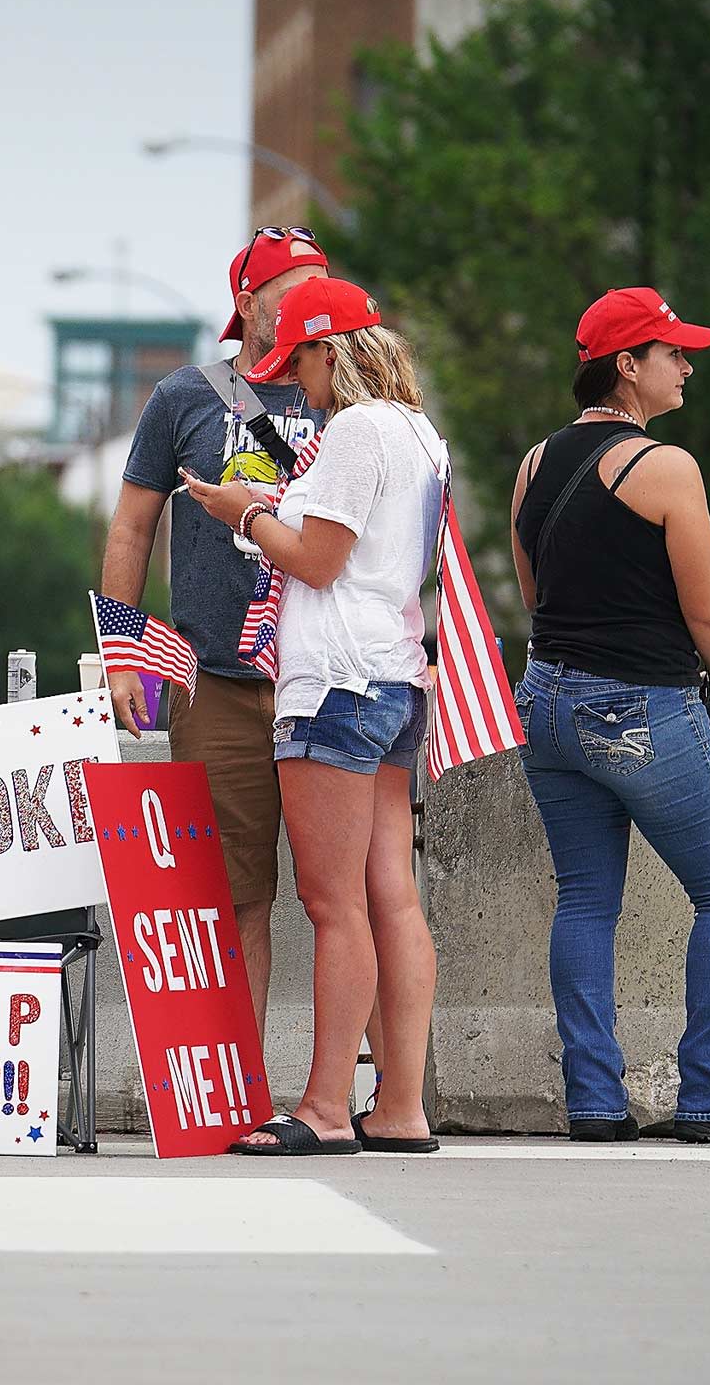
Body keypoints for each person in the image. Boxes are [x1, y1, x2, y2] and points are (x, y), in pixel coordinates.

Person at [507, 288, 710, 1144]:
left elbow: (533, 593)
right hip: (640, 707)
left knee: (587, 899)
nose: (688, 365)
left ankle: (594, 1100)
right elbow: (706, 606)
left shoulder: (534, 463)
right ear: (626, 366)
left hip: (549, 702)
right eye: (673, 352)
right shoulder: (664, 467)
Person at [183, 278, 445, 1156]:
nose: (294, 382)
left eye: (297, 360)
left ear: (329, 351)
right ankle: (400, 1107)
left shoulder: (357, 431)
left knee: (333, 907)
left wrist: (245, 512)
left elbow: (320, 560)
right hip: (396, 674)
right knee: (390, 899)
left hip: (333, 681)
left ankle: (327, 1109)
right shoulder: (419, 432)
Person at [101, 228, 332, 1045]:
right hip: (221, 681)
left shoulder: (353, 394)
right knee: (236, 895)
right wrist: (123, 651)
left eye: (321, 287)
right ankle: (238, 1082)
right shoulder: (185, 398)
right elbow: (132, 527)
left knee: (351, 898)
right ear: (249, 303)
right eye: (293, 289)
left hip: (329, 681)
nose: (311, 305)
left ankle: (352, 1097)